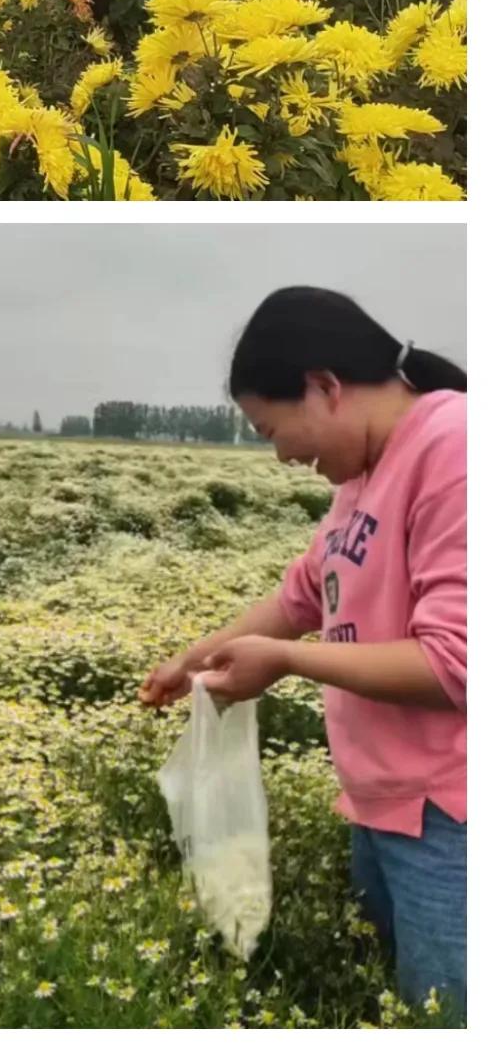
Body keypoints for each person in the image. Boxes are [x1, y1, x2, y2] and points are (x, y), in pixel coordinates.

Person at [139, 286, 466, 1024]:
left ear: (324, 386)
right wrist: (193, 661)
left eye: (269, 428)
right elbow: (301, 598)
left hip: (453, 818)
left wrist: (286, 664)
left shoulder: (457, 449)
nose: (281, 454)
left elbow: (456, 667)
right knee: (397, 999)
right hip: (382, 805)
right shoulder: (362, 475)